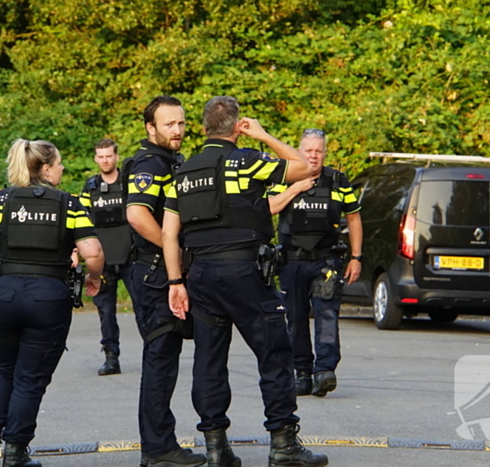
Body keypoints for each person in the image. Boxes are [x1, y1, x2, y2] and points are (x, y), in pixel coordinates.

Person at [162, 96, 328, 467]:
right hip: (245, 272)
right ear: (237, 126)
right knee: (275, 353)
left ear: (203, 128)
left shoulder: (183, 173)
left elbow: (169, 234)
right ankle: (284, 445)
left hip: (200, 276)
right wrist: (264, 135)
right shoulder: (246, 161)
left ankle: (216, 447)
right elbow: (302, 168)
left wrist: (176, 282)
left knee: (208, 361)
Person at [0, 139, 104, 467]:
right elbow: (93, 252)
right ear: (45, 168)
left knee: (3, 367)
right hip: (47, 297)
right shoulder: (68, 204)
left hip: (3, 294)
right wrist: (94, 278)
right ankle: (15, 453)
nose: (63, 168)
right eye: (59, 163)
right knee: (30, 378)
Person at [125, 96, 205, 467]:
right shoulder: (150, 162)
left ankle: (159, 445)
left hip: (161, 270)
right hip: (155, 273)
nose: (178, 130)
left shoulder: (170, 160)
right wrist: (175, 253)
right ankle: (158, 449)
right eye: (169, 124)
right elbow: (138, 215)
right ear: (150, 128)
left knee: (165, 359)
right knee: (160, 359)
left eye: (181, 123)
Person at [268, 128, 362, 397]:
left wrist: (356, 257)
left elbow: (354, 219)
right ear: (298, 151)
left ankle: (324, 371)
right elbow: (270, 207)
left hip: (326, 262)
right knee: (295, 319)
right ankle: (302, 373)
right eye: (308, 150)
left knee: (327, 315)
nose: (313, 156)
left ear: (325, 153)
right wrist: (297, 186)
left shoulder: (338, 181)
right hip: (292, 262)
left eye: (318, 151)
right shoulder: (284, 179)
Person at [79, 138, 146, 375]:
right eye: (101, 156)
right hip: (102, 260)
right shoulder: (90, 187)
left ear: (116, 156)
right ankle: (111, 357)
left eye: (109, 155)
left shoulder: (129, 184)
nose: (105, 160)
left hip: (130, 256)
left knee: (142, 306)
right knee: (105, 310)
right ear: (96, 159)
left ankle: (153, 354)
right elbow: (82, 225)